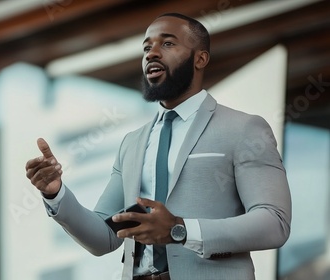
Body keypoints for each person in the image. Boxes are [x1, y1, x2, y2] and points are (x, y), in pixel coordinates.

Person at [25, 12, 291, 280]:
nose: (151, 53)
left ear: (200, 58)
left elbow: (274, 222)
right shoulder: (132, 143)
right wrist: (55, 193)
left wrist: (180, 229)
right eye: (146, 47)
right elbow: (104, 237)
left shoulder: (243, 128)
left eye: (167, 44)